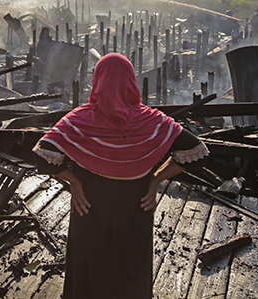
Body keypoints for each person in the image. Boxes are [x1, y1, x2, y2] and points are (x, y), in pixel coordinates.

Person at [32, 53, 209, 299]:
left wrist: (75, 183)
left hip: (89, 208)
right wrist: (155, 179)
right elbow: (197, 152)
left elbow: (43, 154)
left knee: (88, 270)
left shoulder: (79, 120)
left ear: (98, 81)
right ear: (131, 82)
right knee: (130, 268)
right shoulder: (153, 120)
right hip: (136, 208)